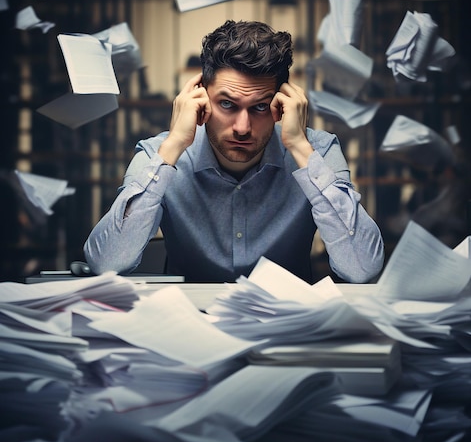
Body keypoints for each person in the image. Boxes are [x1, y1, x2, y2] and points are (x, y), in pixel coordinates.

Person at [84, 20, 384, 283]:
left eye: (260, 107)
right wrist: (174, 144)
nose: (242, 127)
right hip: (190, 330)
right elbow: (106, 263)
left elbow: (362, 269)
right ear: (200, 96)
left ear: (283, 101)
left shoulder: (317, 150)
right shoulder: (158, 154)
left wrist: (300, 149)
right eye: (227, 104)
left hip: (286, 331)